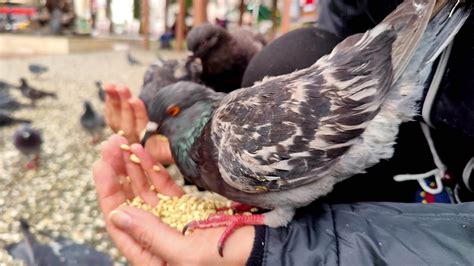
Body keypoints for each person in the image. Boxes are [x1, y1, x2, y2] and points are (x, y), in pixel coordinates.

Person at [94, 1, 474, 264]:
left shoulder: (232, 146)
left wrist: (268, 246)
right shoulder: (220, 139)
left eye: (173, 115)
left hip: (383, 117)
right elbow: (336, 34)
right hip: (357, 80)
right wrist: (171, 151)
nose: (165, 128)